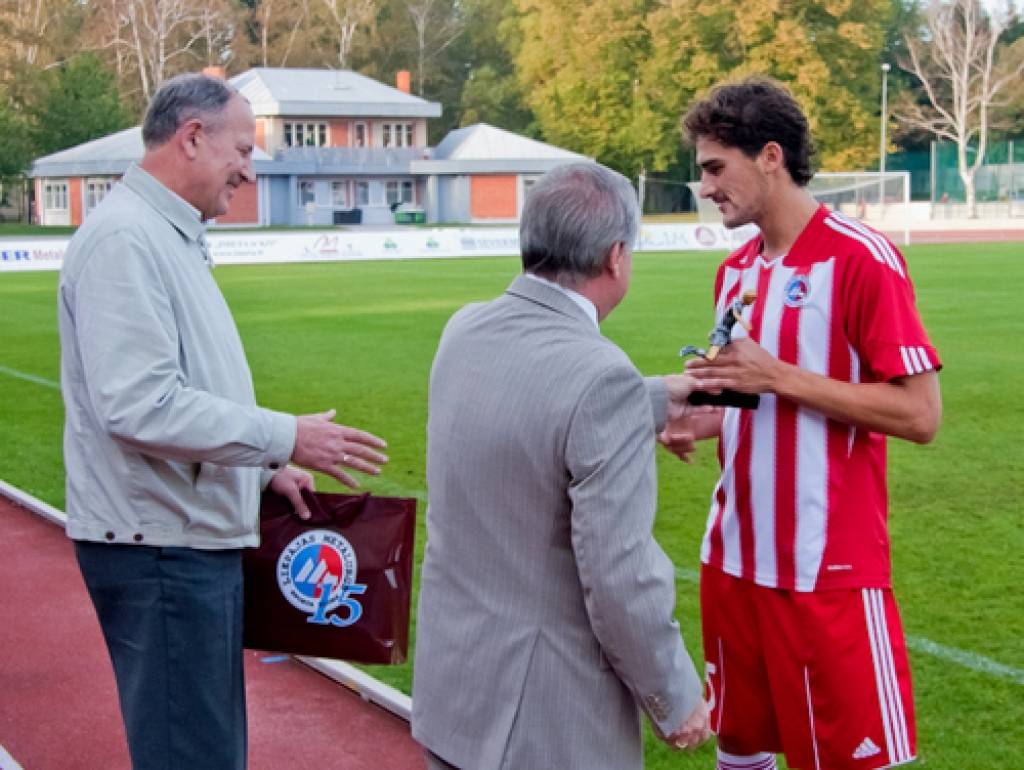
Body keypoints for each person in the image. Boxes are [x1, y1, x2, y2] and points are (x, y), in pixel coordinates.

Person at [57, 73, 389, 770]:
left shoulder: (163, 233)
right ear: (192, 138)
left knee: (204, 745)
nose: (249, 165)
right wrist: (282, 435)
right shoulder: (128, 241)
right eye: (242, 147)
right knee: (192, 752)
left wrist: (265, 469)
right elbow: (138, 404)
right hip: (161, 547)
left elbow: (185, 386)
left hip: (179, 537)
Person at [663, 77, 942, 770]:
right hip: (733, 560)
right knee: (741, 749)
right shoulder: (735, 274)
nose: (705, 186)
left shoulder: (861, 260)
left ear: (769, 157)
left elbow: (919, 413)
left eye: (714, 167)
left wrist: (776, 376)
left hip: (827, 571)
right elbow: (747, 406)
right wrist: (692, 422)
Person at [411, 161, 710, 770]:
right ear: (616, 256)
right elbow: (619, 575)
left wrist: (653, 397)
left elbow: (524, 402)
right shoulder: (601, 376)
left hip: (453, 692)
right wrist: (674, 697)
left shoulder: (464, 329)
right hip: (547, 720)